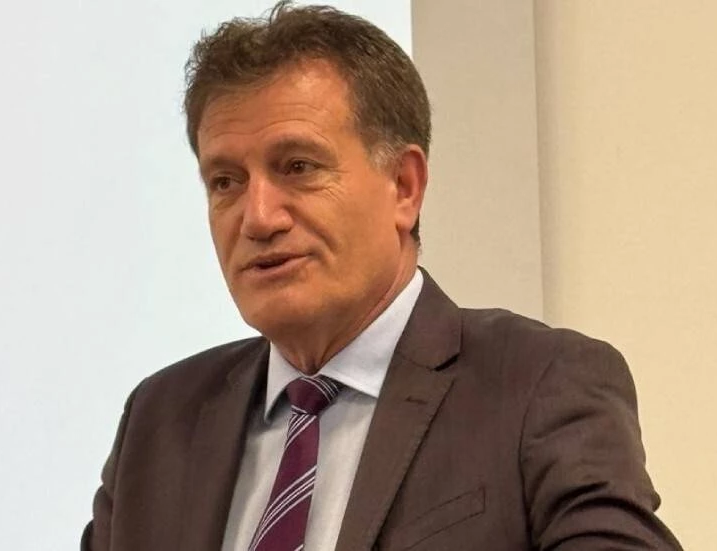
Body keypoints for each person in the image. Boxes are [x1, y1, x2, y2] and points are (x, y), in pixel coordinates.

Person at [82, 2, 682, 549]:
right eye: (225, 182)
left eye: (298, 167)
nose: (258, 217)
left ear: (404, 186)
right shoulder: (159, 422)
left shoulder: (537, 385)